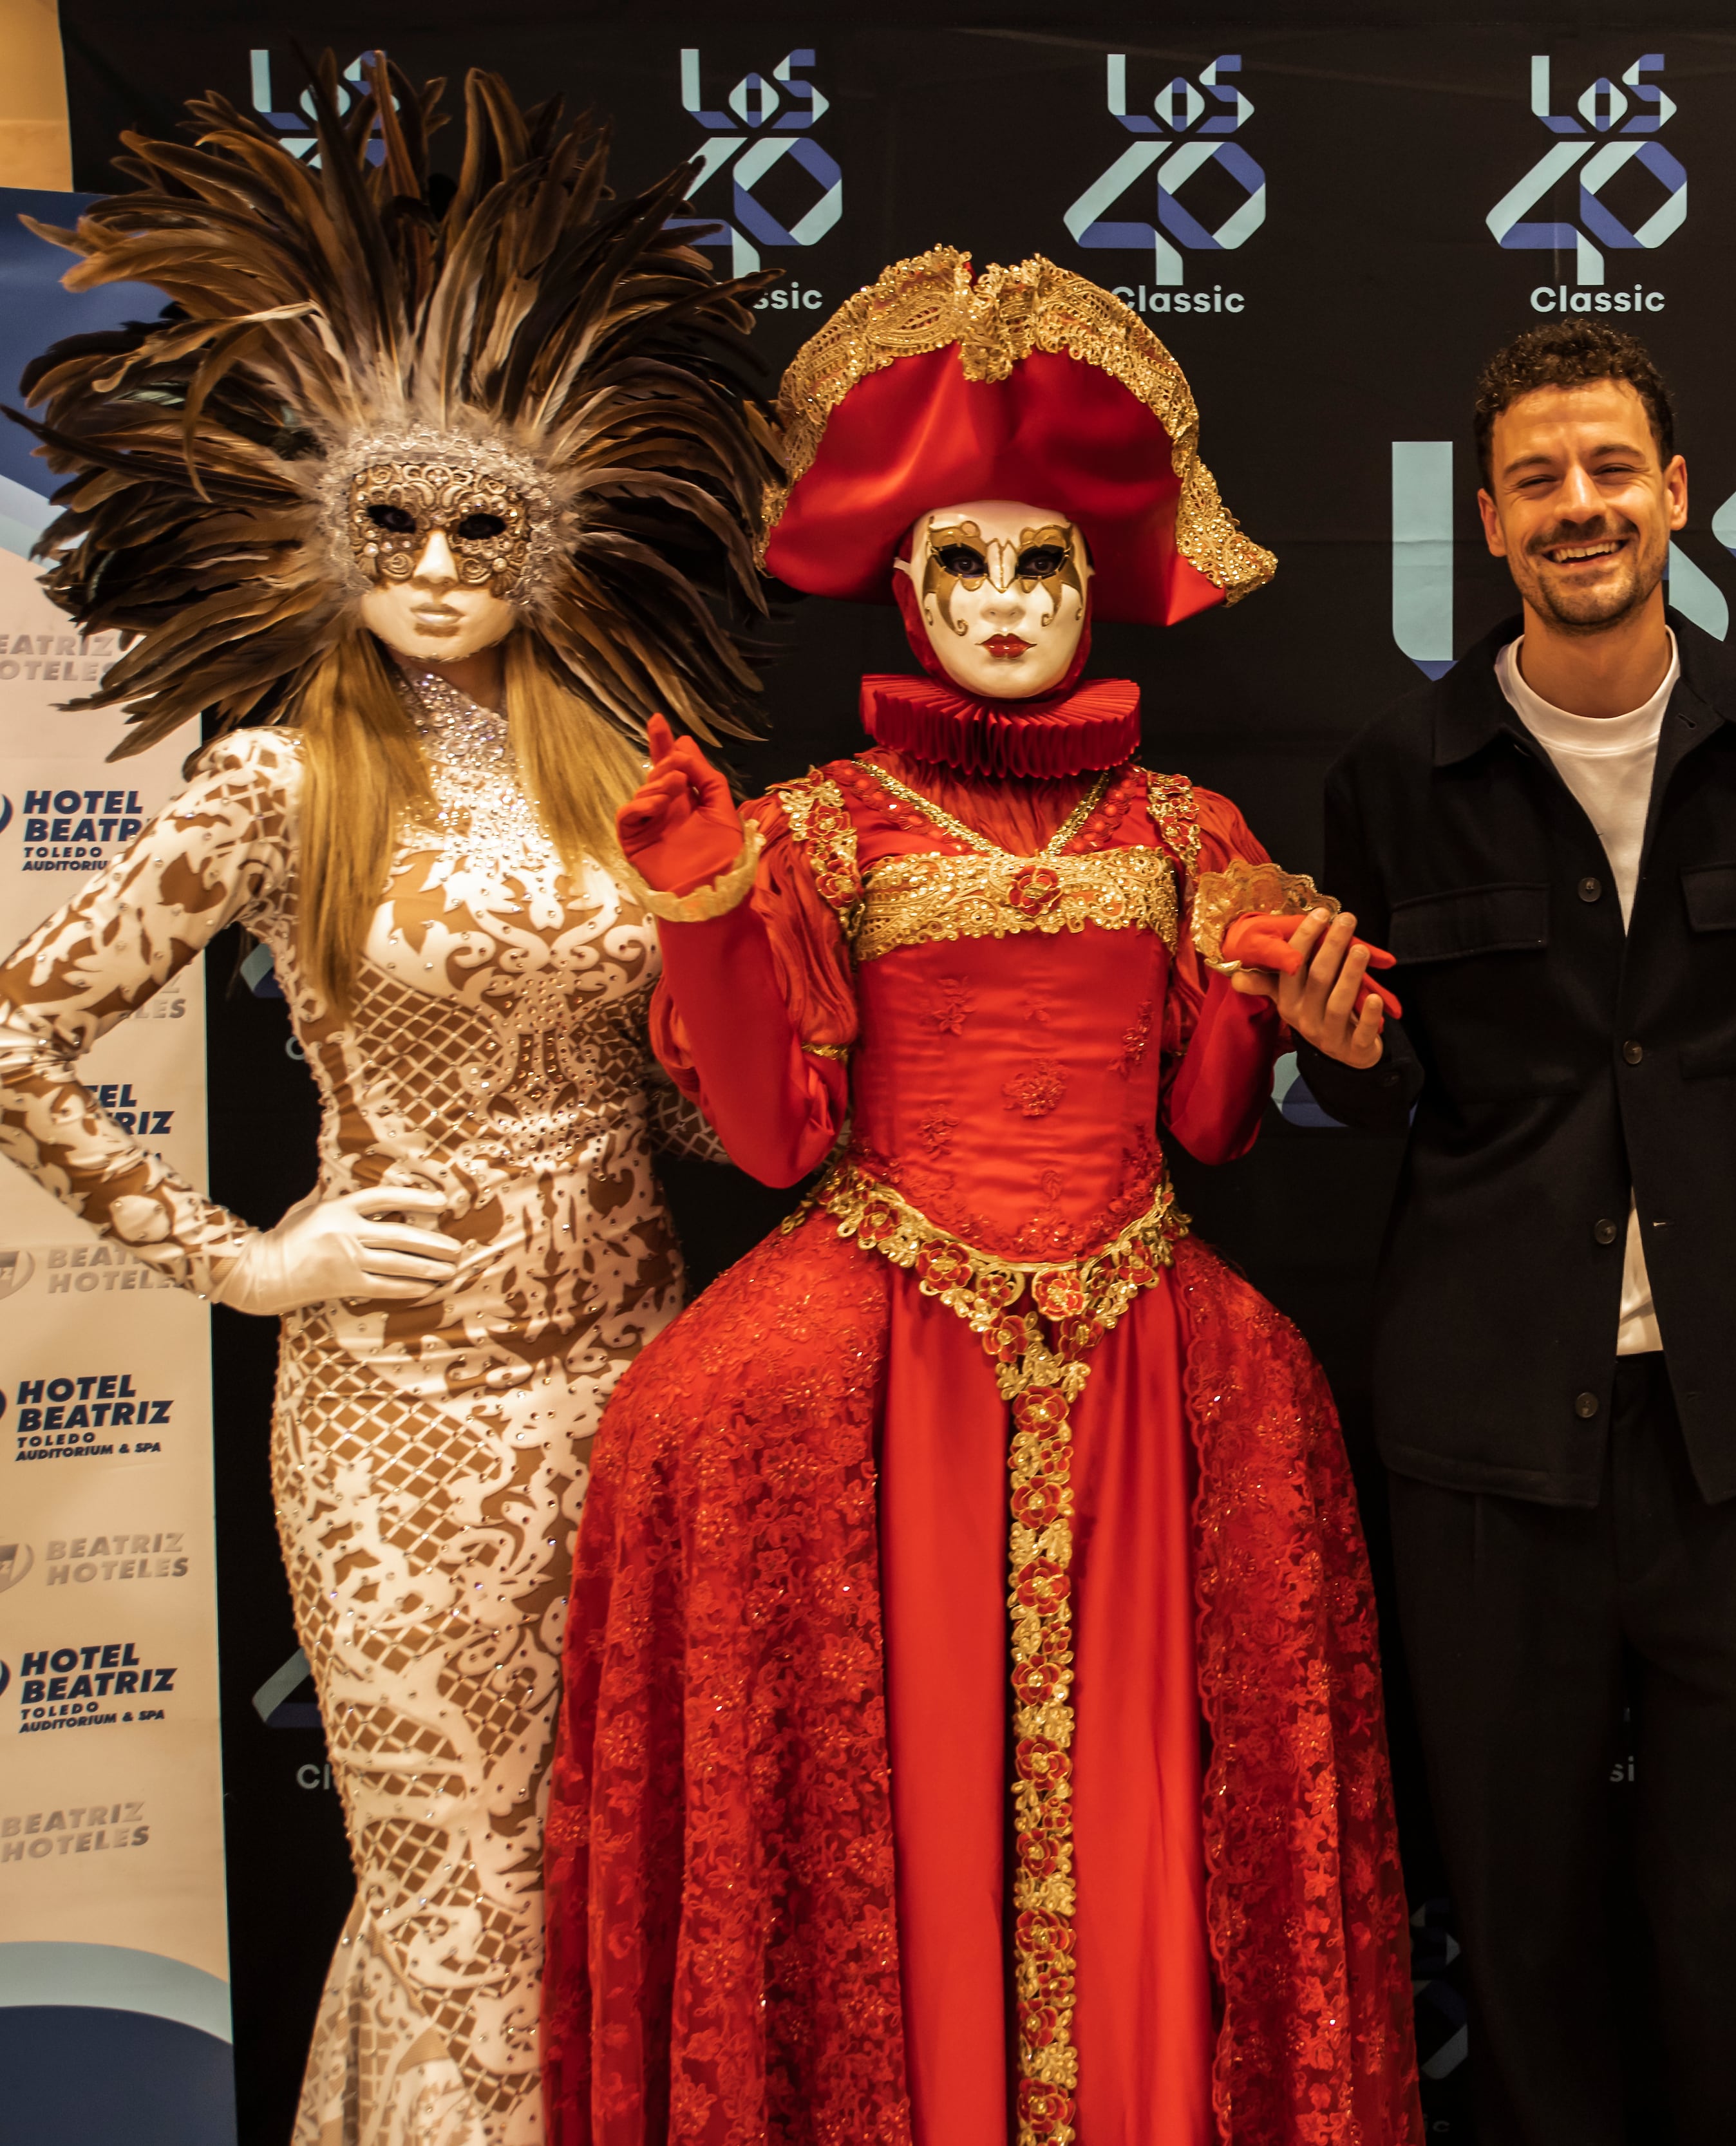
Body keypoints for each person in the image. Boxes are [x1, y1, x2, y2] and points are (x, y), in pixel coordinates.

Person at [539, 247, 1420, 2146]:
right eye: (967, 563)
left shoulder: (1190, 832)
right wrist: (701, 900)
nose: (1007, 603)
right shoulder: (810, 830)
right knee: (800, 1641)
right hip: (878, 1337)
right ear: (902, 580)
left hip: (1149, 1351)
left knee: (1159, 1804)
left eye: (1043, 565)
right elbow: (777, 1139)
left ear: (1100, 581)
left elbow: (1208, 1131)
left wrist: (1274, 1011)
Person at [0, 64, 774, 2146]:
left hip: (637, 1390)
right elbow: (10, 1034)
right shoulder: (273, 782)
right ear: (331, 534)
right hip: (396, 1432)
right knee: (452, 1900)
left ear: (557, 531)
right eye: (395, 523)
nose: (437, 561)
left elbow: (697, 1117)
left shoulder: (635, 777)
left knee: (615, 1892)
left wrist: (762, 1015)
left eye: (481, 523)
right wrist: (251, 1261)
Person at [1257, 321, 1736, 2143]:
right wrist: (1335, 1057)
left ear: (1674, 496)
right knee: (1519, 1925)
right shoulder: (1393, 776)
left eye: (1607, 471)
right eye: (1534, 481)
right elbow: (1373, 1089)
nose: (1576, 509)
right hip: (1490, 1443)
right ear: (1485, 524)